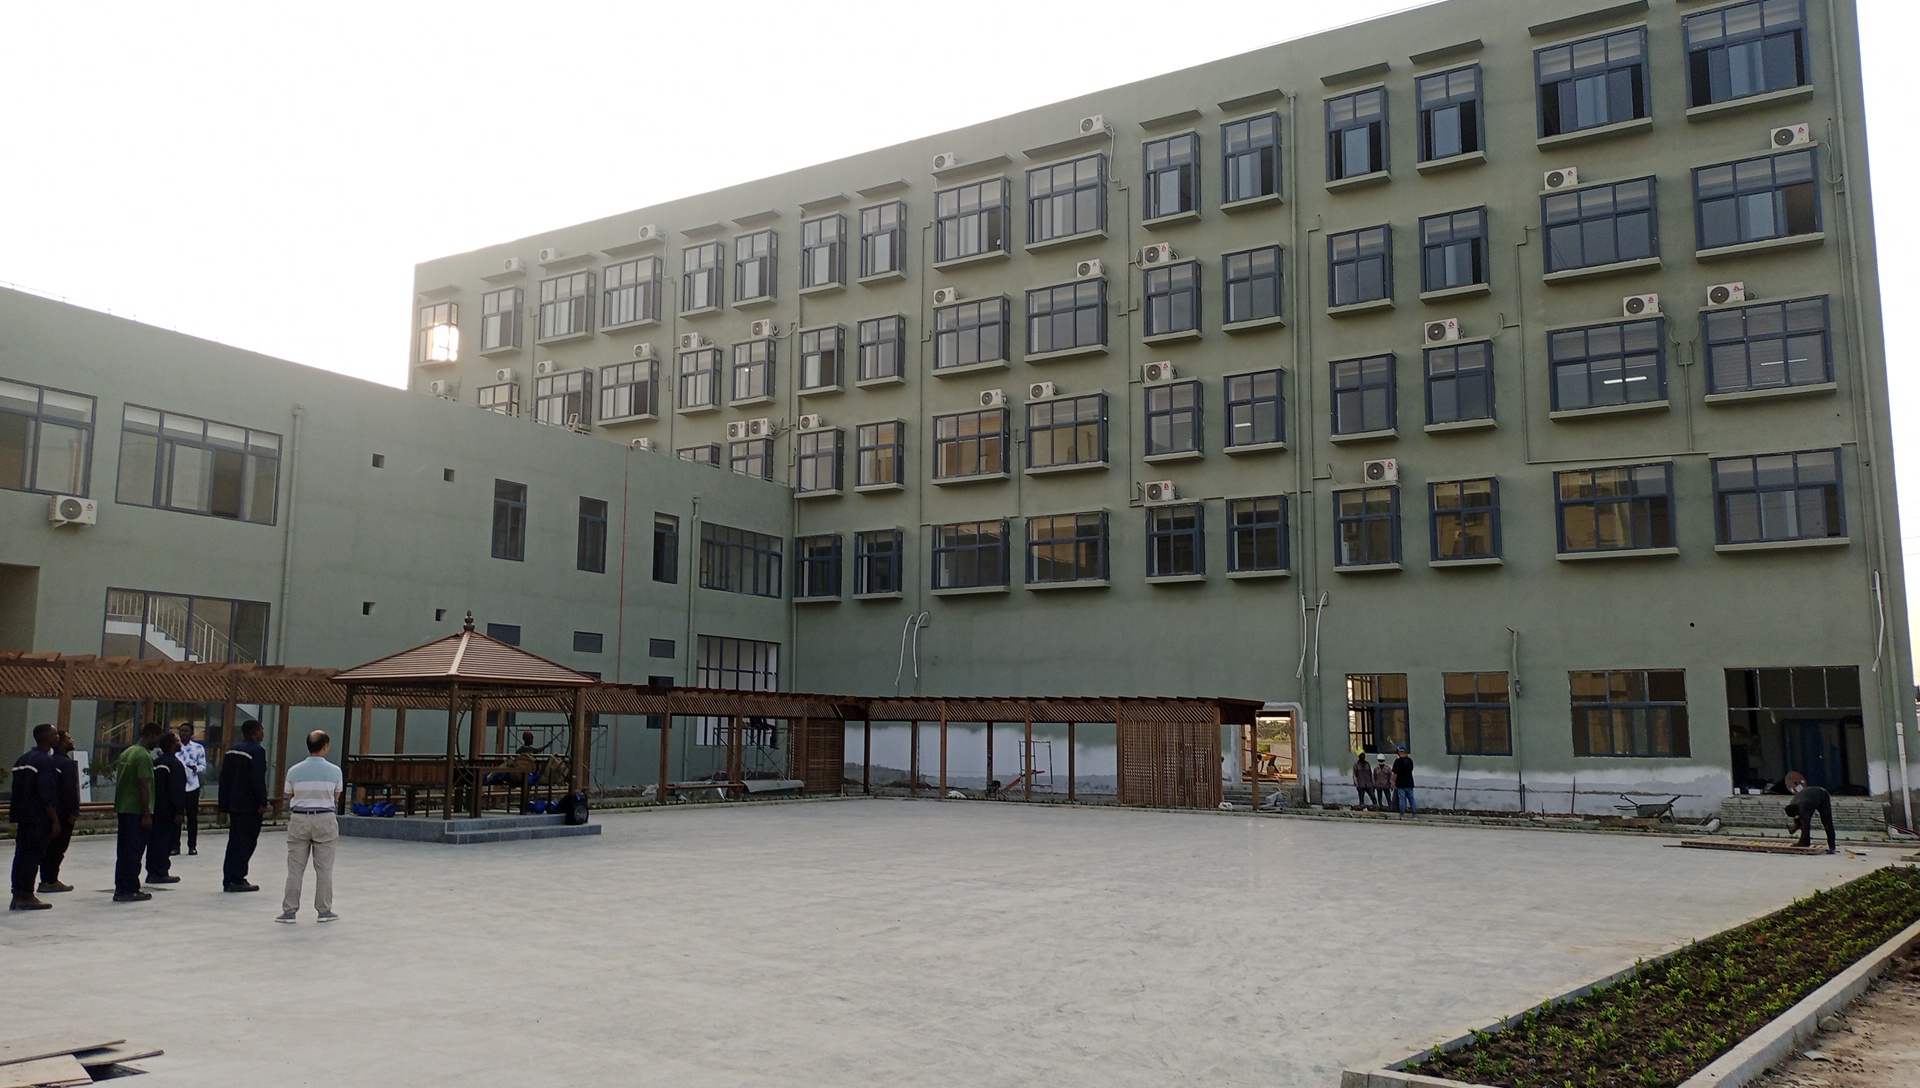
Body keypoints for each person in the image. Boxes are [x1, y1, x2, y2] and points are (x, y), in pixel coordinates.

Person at [278, 730, 343, 924]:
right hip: (325, 818)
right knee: (324, 868)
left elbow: (290, 795)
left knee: (295, 868)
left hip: (299, 819)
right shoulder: (335, 771)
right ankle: (324, 910)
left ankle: (289, 911)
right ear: (325, 746)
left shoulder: (294, 770)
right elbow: (336, 796)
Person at [9, 724, 60, 911]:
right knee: (33, 854)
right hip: (38, 817)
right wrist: (54, 819)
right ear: (46, 738)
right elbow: (46, 792)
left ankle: (17, 893)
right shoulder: (44, 761)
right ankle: (27, 895)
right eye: (55, 734)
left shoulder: (22, 759)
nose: (58, 738)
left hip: (23, 816)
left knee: (21, 854)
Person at [113, 723, 162, 903]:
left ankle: (121, 886)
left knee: (124, 851)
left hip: (124, 808)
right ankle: (130, 889)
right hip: (136, 810)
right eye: (156, 739)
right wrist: (147, 813)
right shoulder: (143, 756)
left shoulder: (127, 752)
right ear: (151, 735)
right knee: (134, 852)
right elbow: (144, 785)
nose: (157, 744)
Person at [219, 719, 270, 893]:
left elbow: (224, 777)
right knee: (246, 842)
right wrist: (262, 801)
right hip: (249, 805)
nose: (263, 733)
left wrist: (223, 802)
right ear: (255, 731)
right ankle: (238, 878)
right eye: (261, 730)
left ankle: (229, 877)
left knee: (234, 840)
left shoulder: (232, 750)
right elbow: (257, 779)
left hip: (234, 804)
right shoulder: (257, 751)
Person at [39, 728, 81, 895]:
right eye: (69, 738)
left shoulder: (50, 761)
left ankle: (46, 879)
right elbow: (70, 790)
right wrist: (74, 811)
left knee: (49, 848)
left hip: (51, 812)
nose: (72, 741)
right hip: (64, 814)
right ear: (62, 742)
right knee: (58, 848)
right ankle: (51, 880)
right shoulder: (67, 764)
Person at [145, 732, 187, 886]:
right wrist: (178, 811)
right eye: (177, 740)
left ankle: (152, 871)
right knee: (165, 841)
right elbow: (176, 790)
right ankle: (160, 871)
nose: (180, 743)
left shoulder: (156, 762)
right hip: (168, 811)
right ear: (171, 744)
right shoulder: (174, 764)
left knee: (154, 841)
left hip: (155, 808)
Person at [1783, 771, 1837, 854]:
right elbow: (1797, 819)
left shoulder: (1802, 808)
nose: (1797, 817)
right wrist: (1794, 827)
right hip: (1810, 798)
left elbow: (1805, 827)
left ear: (1797, 811)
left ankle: (1832, 847)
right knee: (1803, 820)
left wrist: (1800, 842)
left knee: (1827, 822)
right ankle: (1806, 842)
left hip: (1822, 795)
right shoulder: (1792, 804)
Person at [176, 722, 208, 856]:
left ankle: (192, 845)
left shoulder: (198, 748)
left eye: (186, 731)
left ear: (192, 733)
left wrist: (196, 768)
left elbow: (203, 766)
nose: (183, 733)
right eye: (181, 731)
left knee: (192, 817)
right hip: (177, 786)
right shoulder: (175, 747)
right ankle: (175, 846)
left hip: (192, 786)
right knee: (177, 817)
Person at [1392, 745, 1417, 816]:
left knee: (1402, 799)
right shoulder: (1410, 760)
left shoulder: (1397, 761)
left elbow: (1395, 774)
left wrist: (1393, 782)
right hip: (1409, 782)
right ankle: (1414, 812)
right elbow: (1411, 769)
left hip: (1400, 784)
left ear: (1399, 752)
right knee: (1411, 799)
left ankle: (1402, 813)